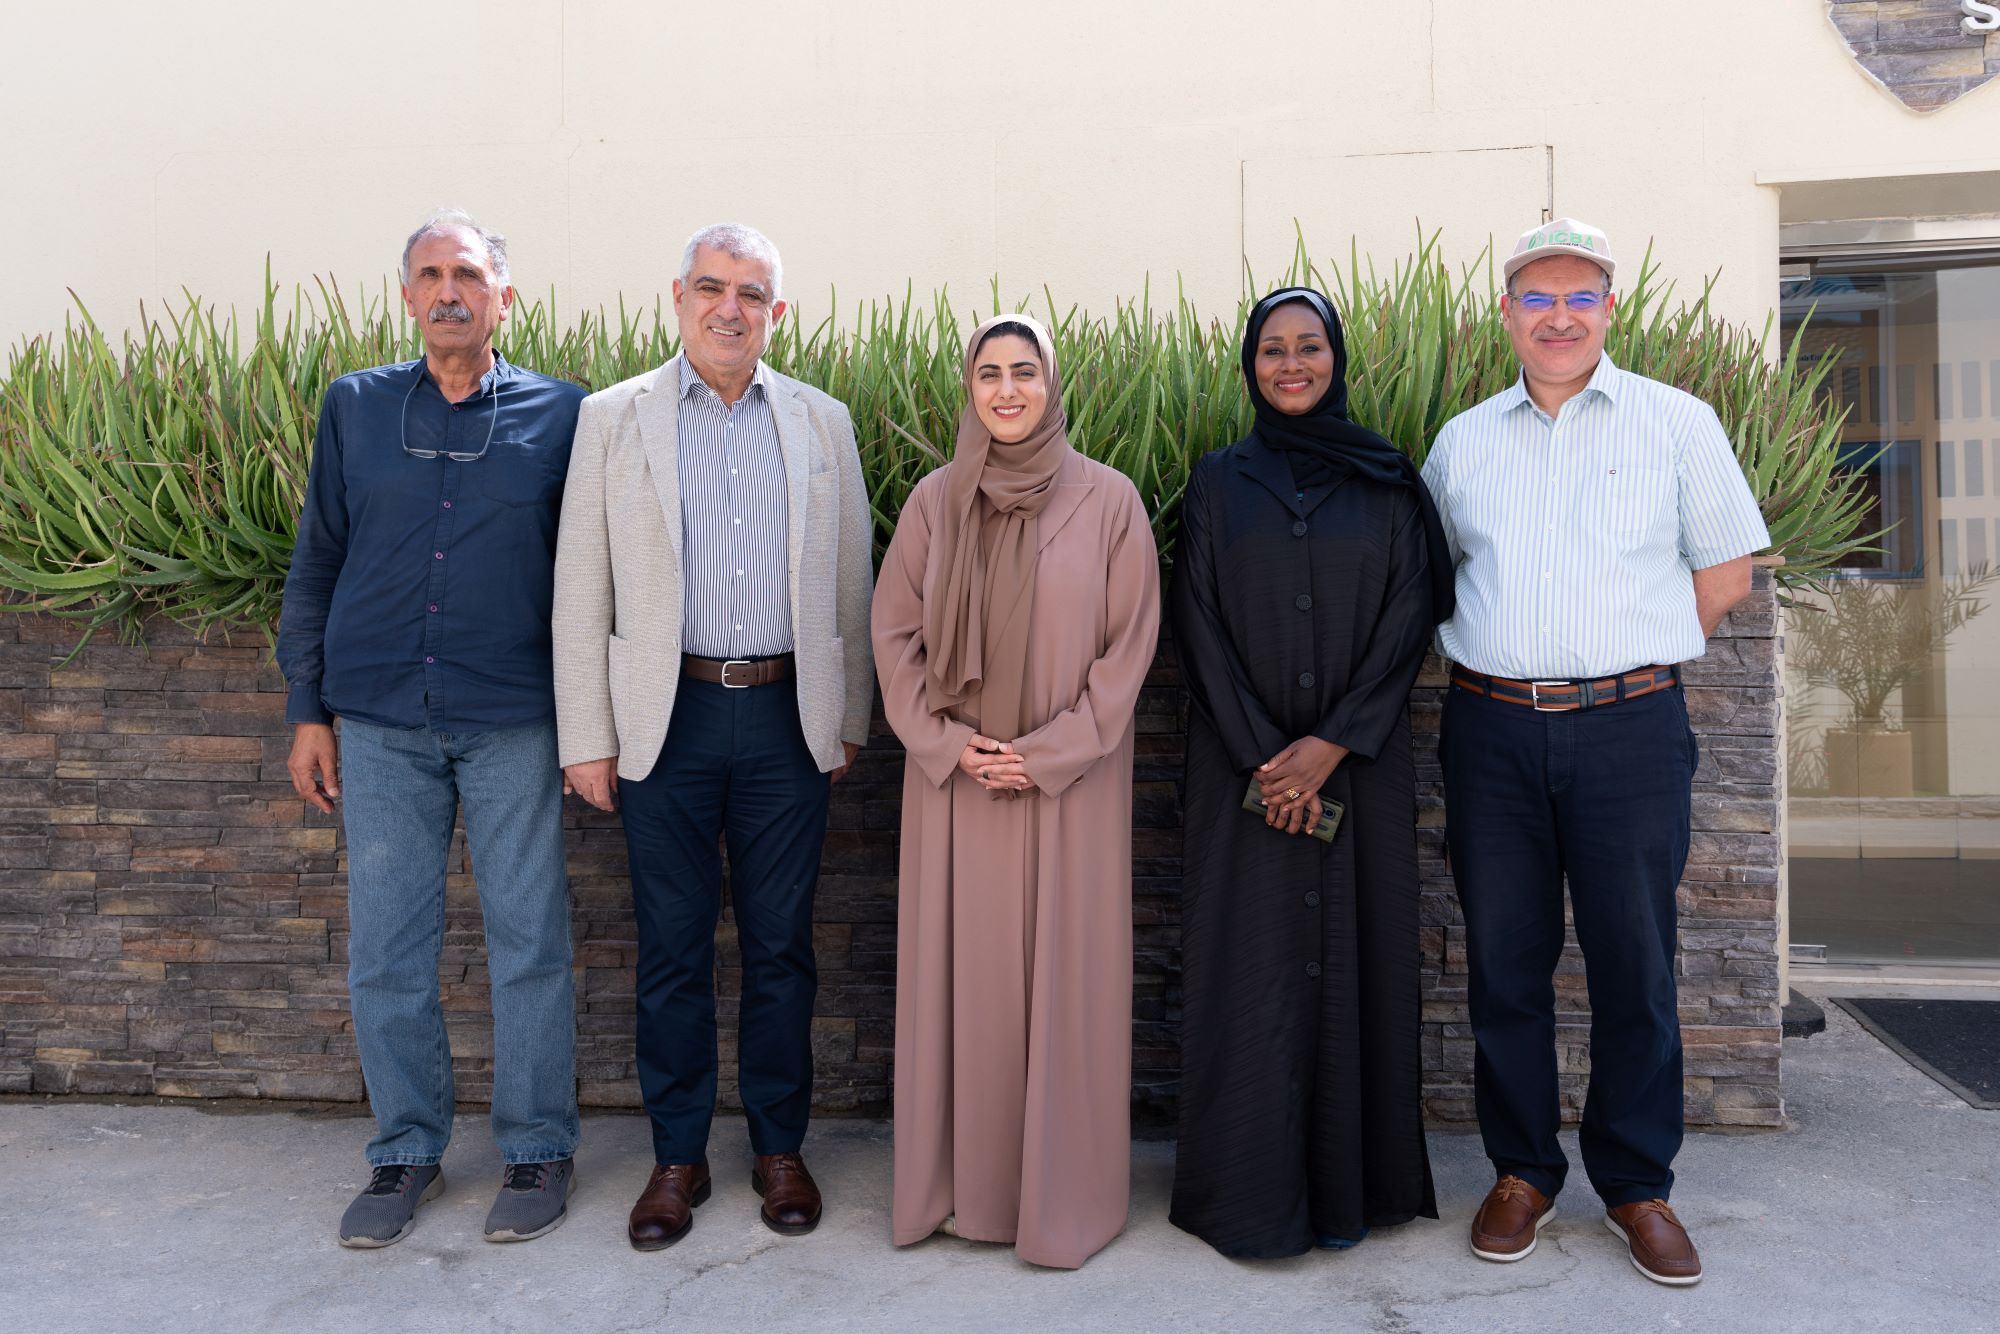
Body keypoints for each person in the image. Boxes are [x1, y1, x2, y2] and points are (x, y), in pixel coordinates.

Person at [1421, 218, 1771, 1287]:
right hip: (1488, 728)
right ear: (1506, 313)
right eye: (1537, 297)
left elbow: (1724, 576)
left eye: (1579, 297)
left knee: (1634, 960)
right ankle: (1521, 1170)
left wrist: (1619, 668)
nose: (1558, 316)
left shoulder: (1676, 422)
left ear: (1609, 308)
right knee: (1504, 961)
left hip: (1628, 727)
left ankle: (1634, 1183)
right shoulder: (1460, 441)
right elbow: (1433, 579)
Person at [551, 223, 874, 1251]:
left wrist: (847, 715)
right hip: (665, 720)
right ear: (678, 296)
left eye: (751, 293)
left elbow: (851, 582)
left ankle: (779, 1146)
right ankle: (677, 1157)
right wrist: (584, 736)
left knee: (783, 947)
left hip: (786, 718)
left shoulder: (822, 423)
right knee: (672, 950)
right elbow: (578, 585)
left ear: (777, 313)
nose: (729, 308)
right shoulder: (613, 420)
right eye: (711, 287)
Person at [278, 209, 585, 1248]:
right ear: (406, 295)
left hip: (512, 718)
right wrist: (305, 708)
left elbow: (593, 580)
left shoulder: (565, 414)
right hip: (378, 722)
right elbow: (317, 558)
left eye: (467, 273)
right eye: (428, 274)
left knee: (529, 941)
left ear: (505, 294)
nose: (448, 289)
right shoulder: (356, 407)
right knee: (387, 949)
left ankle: (539, 1144)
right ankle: (405, 1148)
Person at [1168, 287, 1454, 1259]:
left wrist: (1327, 745)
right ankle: (1245, 1197)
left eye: (1308, 347)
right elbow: (1195, 623)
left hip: (1357, 774)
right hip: (1238, 774)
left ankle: (1350, 1192)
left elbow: (1409, 616)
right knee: (1243, 973)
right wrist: (1265, 754)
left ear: (1337, 357)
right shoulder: (1216, 481)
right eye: (1271, 350)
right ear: (1247, 365)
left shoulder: (1385, 479)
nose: (1290, 364)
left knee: (1355, 969)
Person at [872, 312, 1161, 1270]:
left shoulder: (1111, 502)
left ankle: (1060, 1199)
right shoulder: (932, 503)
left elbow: (1129, 651)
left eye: (1024, 372)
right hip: (956, 790)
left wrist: (1048, 752)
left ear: (1052, 383)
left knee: (1062, 986)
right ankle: (959, 1191)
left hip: (1067, 791)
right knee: (967, 986)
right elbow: (896, 636)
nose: (1005, 390)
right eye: (988, 373)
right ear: (970, 387)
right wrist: (950, 745)